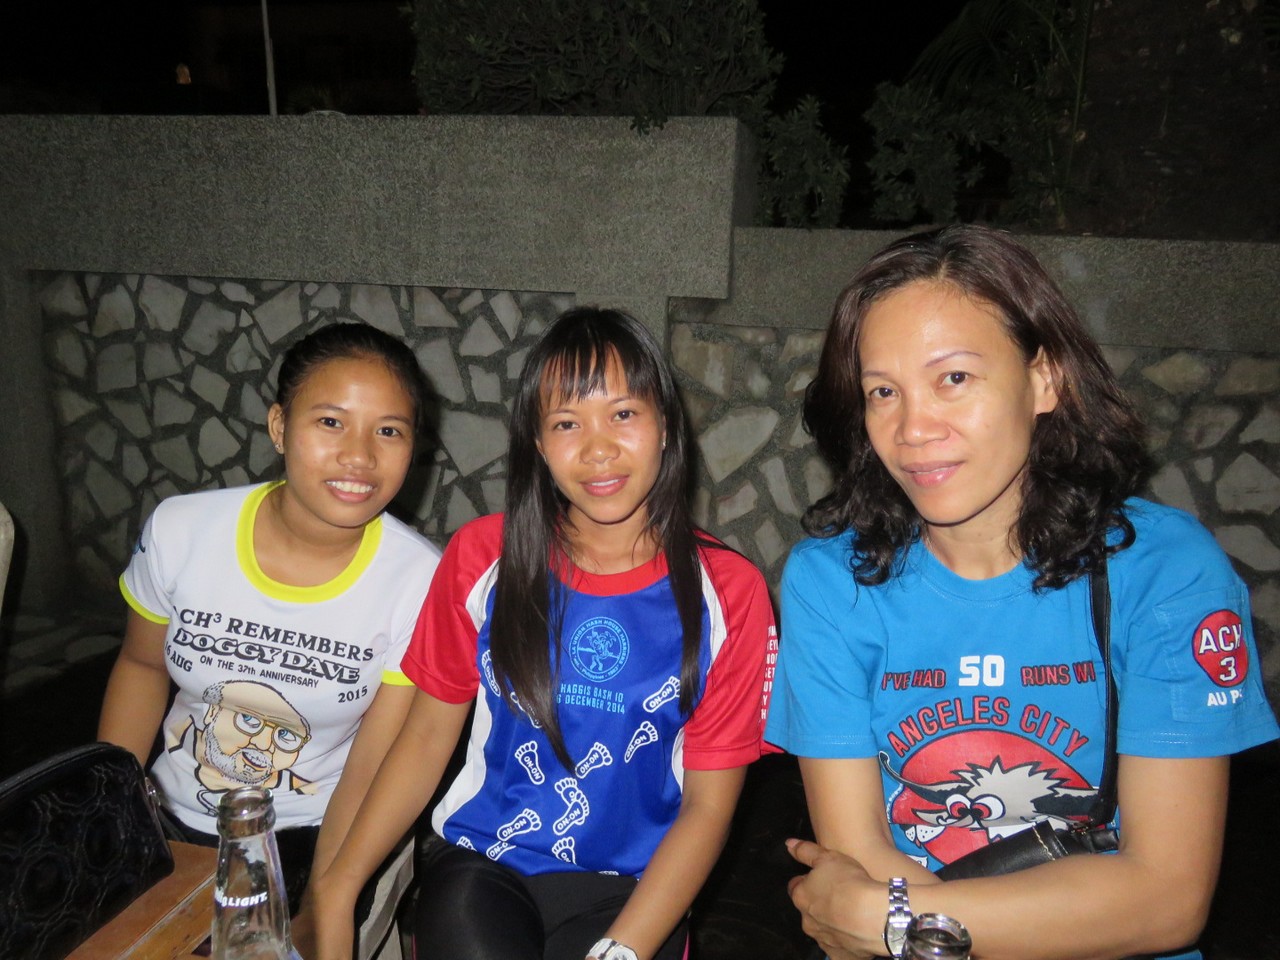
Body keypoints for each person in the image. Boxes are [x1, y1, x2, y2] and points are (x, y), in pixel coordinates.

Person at [765, 224, 1280, 960]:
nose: (913, 428)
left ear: (1045, 379)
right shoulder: (832, 580)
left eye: (953, 378)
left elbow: (1167, 900)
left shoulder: (1163, 571)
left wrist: (898, 922)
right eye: (883, 391)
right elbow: (860, 851)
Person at [305, 307, 777, 960]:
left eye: (623, 413)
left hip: (638, 887)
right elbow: (423, 738)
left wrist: (623, 950)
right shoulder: (482, 557)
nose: (598, 449)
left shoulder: (728, 592)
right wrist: (337, 887)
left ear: (666, 425)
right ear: (537, 442)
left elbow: (709, 808)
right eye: (566, 423)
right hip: (485, 865)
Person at [97, 322, 443, 912]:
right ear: (279, 426)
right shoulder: (182, 530)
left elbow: (374, 763)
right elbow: (141, 666)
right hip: (163, 814)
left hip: (309, 834)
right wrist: (110, 813)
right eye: (330, 421)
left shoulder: (420, 580)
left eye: (389, 431)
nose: (359, 456)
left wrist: (327, 898)